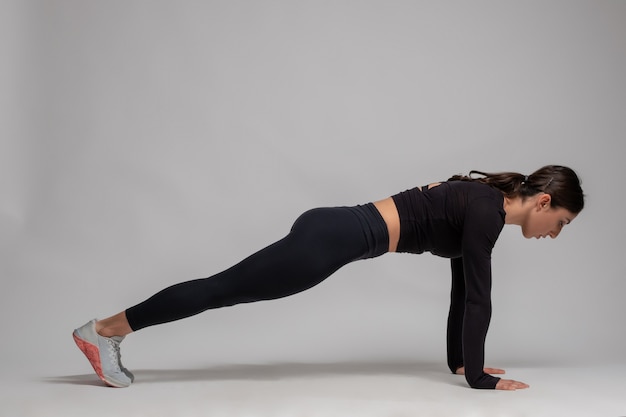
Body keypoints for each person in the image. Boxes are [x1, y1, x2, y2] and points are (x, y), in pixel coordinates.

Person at [72, 165, 584, 390]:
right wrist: (480, 380)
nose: (554, 234)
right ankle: (105, 331)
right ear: (544, 201)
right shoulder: (487, 211)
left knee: (222, 290)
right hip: (334, 239)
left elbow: (462, 291)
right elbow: (479, 301)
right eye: (559, 223)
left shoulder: (481, 205)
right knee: (220, 290)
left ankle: (106, 331)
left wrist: (459, 364)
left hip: (335, 230)